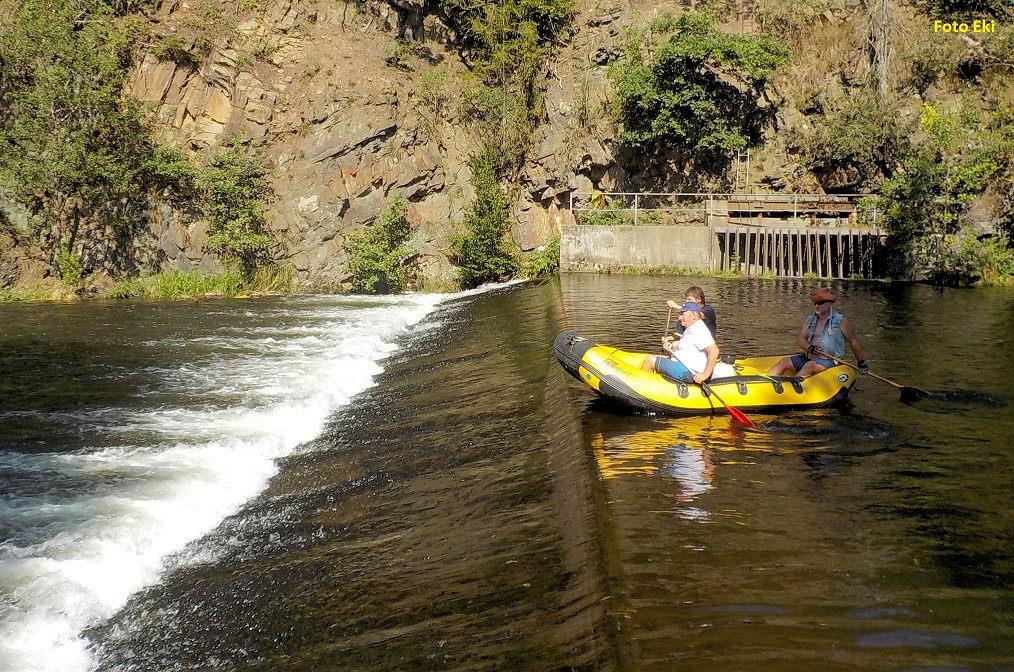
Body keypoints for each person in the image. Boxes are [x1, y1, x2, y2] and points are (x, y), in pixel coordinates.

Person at [767, 287, 868, 378]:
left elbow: (853, 341)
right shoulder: (809, 320)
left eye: (820, 303)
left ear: (829, 304)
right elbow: (800, 340)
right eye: (815, 303)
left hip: (830, 361)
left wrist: (861, 362)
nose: (817, 306)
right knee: (784, 362)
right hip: (809, 357)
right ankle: (767, 382)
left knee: (810, 366)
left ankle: (793, 386)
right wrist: (810, 348)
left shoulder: (841, 321)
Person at [642, 300, 719, 384]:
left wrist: (704, 375)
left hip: (688, 372)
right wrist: (670, 348)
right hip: (682, 364)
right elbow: (687, 350)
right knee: (651, 357)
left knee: (650, 360)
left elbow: (714, 350)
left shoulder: (699, 330)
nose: (679, 317)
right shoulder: (691, 327)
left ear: (694, 315)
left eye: (683, 314)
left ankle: (641, 386)